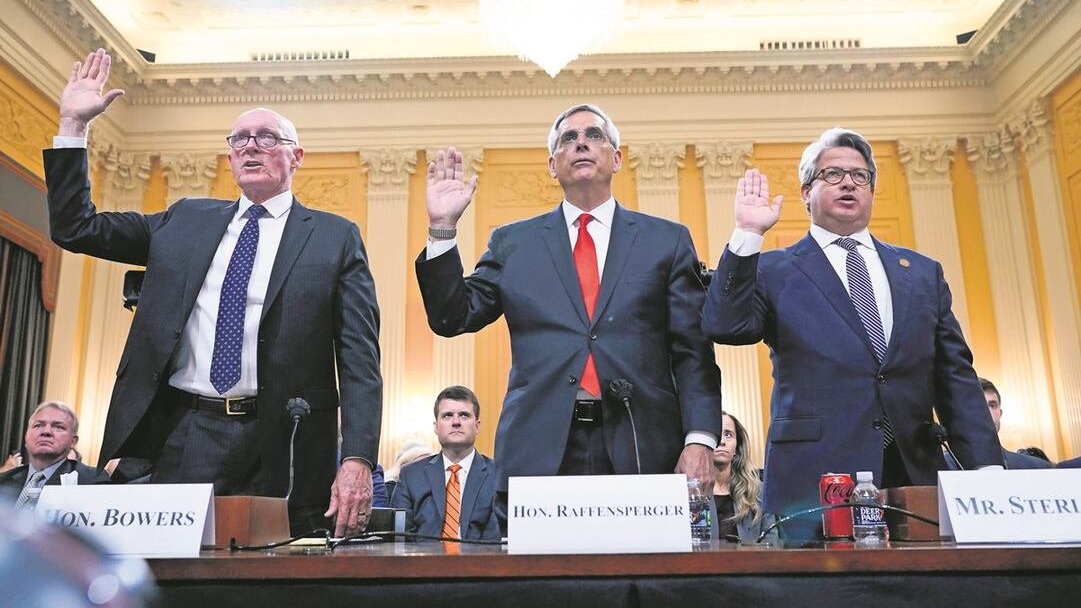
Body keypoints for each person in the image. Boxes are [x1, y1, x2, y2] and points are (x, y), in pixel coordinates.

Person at [42, 49, 383, 537]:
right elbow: (76, 228)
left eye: (267, 137)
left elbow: (359, 360)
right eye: (240, 139)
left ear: (296, 156)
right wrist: (73, 127)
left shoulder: (335, 237)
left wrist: (358, 458)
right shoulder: (184, 220)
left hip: (283, 441)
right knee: (175, 566)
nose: (251, 146)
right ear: (230, 157)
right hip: (185, 431)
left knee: (272, 571)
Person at [416, 104, 722, 525]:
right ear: (552, 165)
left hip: (642, 443)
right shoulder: (513, 243)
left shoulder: (666, 240)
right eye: (568, 138)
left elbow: (693, 351)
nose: (581, 143)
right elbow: (453, 317)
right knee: (543, 570)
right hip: (540, 448)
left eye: (594, 135)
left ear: (617, 159)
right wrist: (442, 229)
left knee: (643, 566)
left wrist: (700, 439)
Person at [701, 127, 1001, 539]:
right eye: (833, 174)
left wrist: (986, 467)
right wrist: (748, 234)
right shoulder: (773, 269)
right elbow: (725, 326)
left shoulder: (921, 273)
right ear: (806, 193)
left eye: (860, 176)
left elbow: (956, 376)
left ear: (871, 191)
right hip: (813, 480)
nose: (848, 183)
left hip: (913, 473)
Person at [391, 386, 500, 541]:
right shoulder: (411, 475)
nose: (456, 422)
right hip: (424, 556)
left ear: (477, 426)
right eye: (447, 416)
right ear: (436, 427)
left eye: (464, 415)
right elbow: (399, 537)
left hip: (480, 556)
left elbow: (498, 536)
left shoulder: (498, 475)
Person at [0, 403, 110, 508]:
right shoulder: (3, 480)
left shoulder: (92, 481)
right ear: (26, 437)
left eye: (58, 427)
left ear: (73, 441)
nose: (46, 432)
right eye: (38, 425)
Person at [710, 411, 776, 544]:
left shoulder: (758, 492)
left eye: (728, 435)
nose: (722, 441)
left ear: (737, 447)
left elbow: (771, 542)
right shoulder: (689, 492)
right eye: (715, 434)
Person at [975, 379, 1051, 469]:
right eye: (979, 405)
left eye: (992, 405)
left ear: (1000, 413)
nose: (988, 413)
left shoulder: (1037, 467)